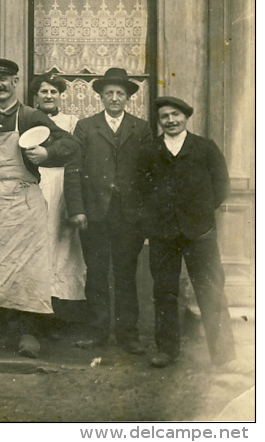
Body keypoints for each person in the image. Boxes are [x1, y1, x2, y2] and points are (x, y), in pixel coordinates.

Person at [0, 58, 77, 358]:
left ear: (15, 82)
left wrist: (46, 152)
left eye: (3, 79)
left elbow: (70, 145)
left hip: (22, 201)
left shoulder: (32, 115)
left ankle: (28, 333)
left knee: (27, 268)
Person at [137, 97, 242, 372]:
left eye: (175, 115)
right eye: (164, 117)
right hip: (163, 233)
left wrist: (201, 214)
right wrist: (153, 221)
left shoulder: (204, 148)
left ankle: (224, 355)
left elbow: (222, 186)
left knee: (211, 291)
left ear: (186, 117)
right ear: (159, 122)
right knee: (164, 292)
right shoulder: (150, 150)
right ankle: (167, 351)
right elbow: (139, 191)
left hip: (200, 232)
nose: (170, 120)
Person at [63, 67, 151, 354]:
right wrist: (77, 209)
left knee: (126, 274)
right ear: (101, 96)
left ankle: (128, 335)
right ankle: (98, 332)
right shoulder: (86, 127)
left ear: (128, 98)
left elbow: (151, 173)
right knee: (97, 273)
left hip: (129, 214)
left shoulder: (141, 127)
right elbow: (73, 170)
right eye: (109, 93)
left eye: (120, 94)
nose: (114, 98)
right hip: (94, 214)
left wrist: (146, 215)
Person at [30, 73, 87, 329]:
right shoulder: (30, 119)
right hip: (36, 183)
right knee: (37, 242)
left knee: (62, 245)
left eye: (54, 92)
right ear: (36, 96)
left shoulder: (71, 122)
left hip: (62, 184)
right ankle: (35, 311)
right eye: (44, 92)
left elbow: (76, 155)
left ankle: (60, 314)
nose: (49, 96)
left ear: (61, 95)